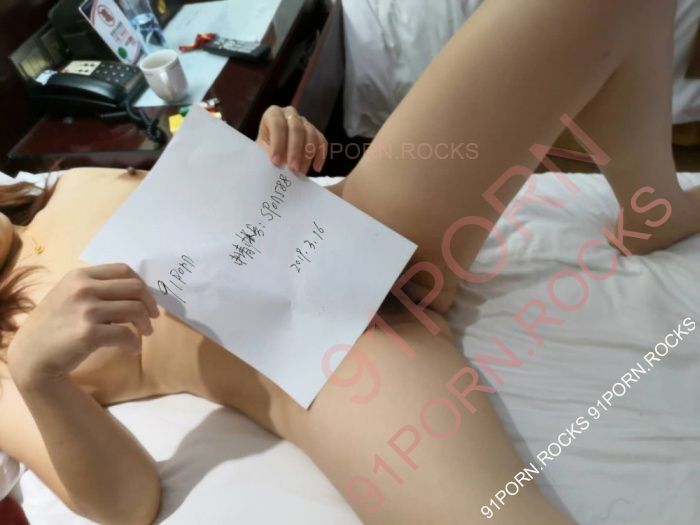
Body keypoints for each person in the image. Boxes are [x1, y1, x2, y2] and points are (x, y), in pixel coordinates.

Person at [1, 1, 699, 523]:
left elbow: (216, 203)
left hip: (366, 224)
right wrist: (40, 374)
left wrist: (278, 149)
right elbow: (127, 503)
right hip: (315, 362)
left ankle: (652, 206)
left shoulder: (54, 184)